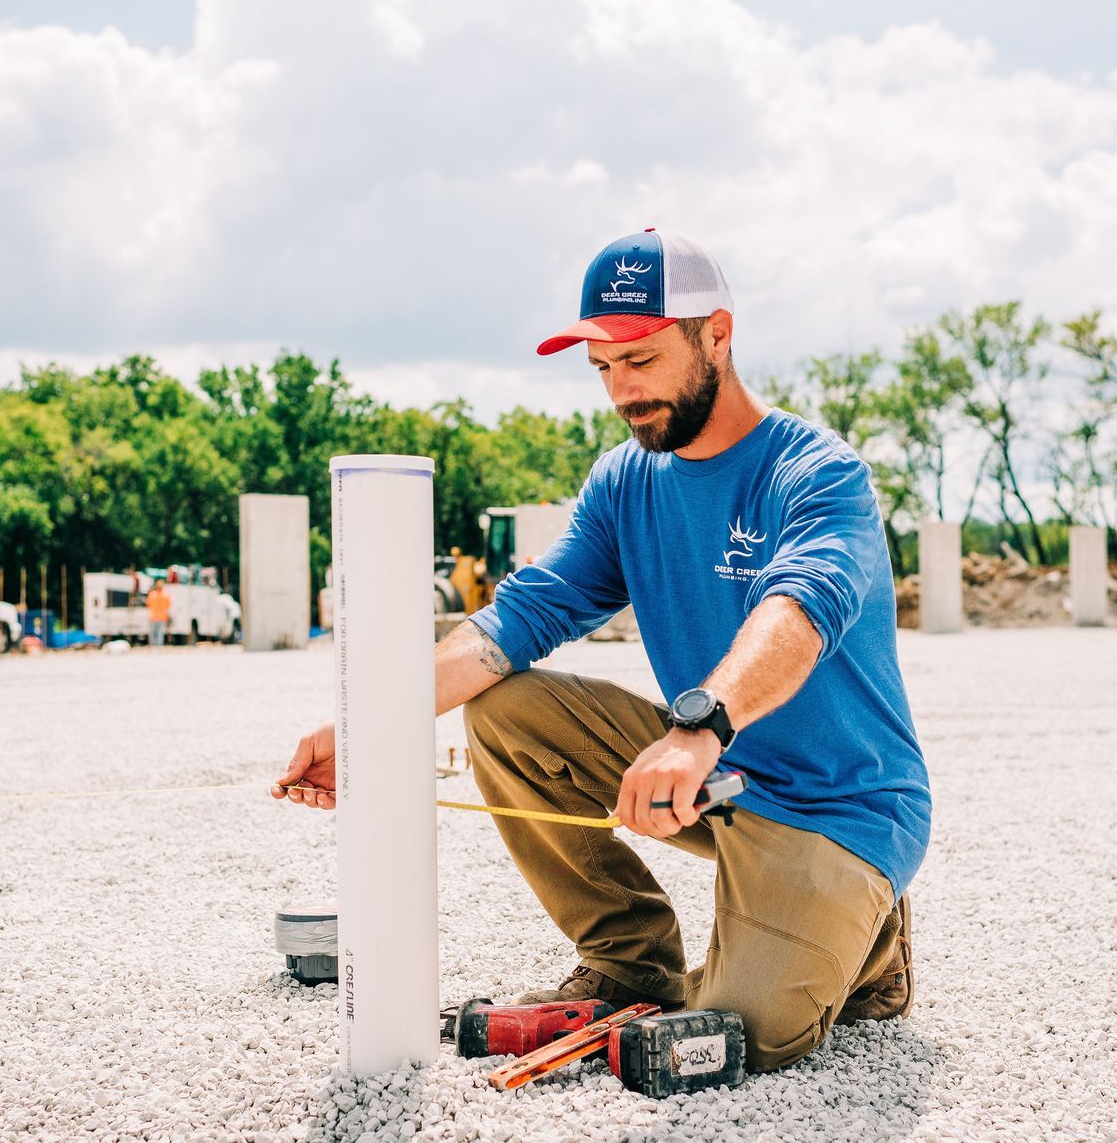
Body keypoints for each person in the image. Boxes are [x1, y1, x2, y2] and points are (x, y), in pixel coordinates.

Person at [271, 229, 931, 1072]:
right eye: (603, 369)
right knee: (509, 710)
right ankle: (629, 963)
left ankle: (869, 941)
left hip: (837, 809)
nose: (622, 390)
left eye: (642, 359)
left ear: (717, 335)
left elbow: (798, 612)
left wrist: (698, 728)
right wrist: (365, 725)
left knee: (740, 1036)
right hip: (714, 778)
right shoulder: (625, 480)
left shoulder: (816, 474)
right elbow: (515, 623)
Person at [146, 580, 170, 648]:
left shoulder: (152, 594)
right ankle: (159, 645)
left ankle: (153, 645)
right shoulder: (166, 595)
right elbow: (168, 605)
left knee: (153, 632)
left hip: (153, 616)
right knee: (160, 632)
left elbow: (148, 604)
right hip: (162, 617)